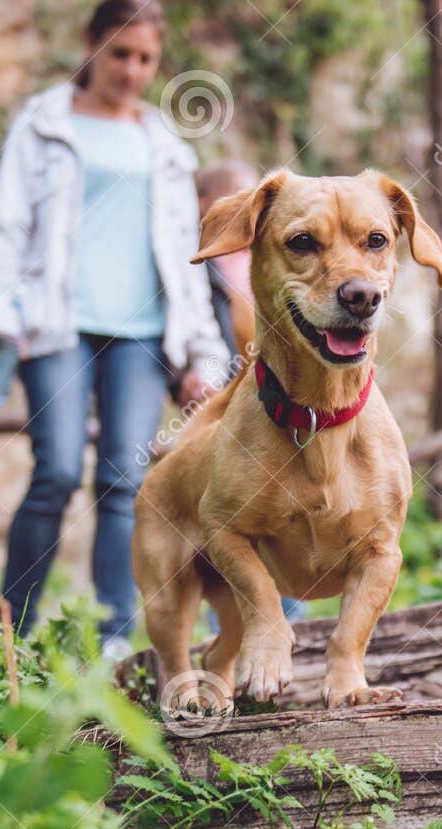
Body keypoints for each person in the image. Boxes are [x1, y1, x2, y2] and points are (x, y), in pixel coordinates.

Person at [0, 0, 228, 657]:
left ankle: (114, 638)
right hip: (55, 324)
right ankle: (12, 632)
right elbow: (8, 229)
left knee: (122, 480)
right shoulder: (43, 124)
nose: (132, 70)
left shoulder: (164, 143)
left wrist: (201, 350)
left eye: (146, 59)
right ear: (91, 43)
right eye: (120, 53)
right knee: (56, 470)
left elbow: (183, 253)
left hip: (143, 334)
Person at [192, 161, 307, 627]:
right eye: (236, 198)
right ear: (207, 207)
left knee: (287, 511)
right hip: (223, 400)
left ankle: (292, 620)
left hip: (277, 399)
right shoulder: (200, 265)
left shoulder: (273, 255)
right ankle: (227, 628)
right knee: (232, 518)